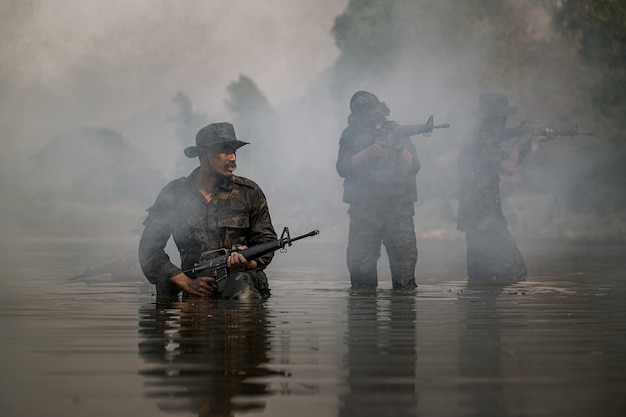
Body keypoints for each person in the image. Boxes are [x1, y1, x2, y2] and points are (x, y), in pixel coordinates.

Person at [138, 122, 277, 300]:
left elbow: (267, 241)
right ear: (204, 154)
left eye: (234, 151)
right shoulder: (174, 195)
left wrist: (250, 263)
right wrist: (186, 283)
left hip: (240, 281)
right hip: (195, 286)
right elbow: (149, 249)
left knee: (244, 296)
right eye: (225, 150)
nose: (233, 157)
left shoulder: (249, 192)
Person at [456, 92, 552, 285]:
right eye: (502, 116)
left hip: (475, 213)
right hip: (485, 215)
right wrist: (522, 143)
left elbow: (510, 164)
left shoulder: (478, 133)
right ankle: (507, 313)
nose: (505, 120)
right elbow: (509, 168)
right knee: (515, 271)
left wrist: (529, 141)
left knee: (479, 279)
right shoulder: (482, 137)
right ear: (494, 117)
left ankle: (478, 314)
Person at [336, 91, 420, 289]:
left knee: (405, 279)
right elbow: (342, 167)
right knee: (361, 277)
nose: (377, 121)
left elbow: (414, 166)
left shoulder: (397, 131)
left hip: (399, 210)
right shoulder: (350, 135)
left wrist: (400, 148)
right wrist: (367, 152)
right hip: (364, 211)